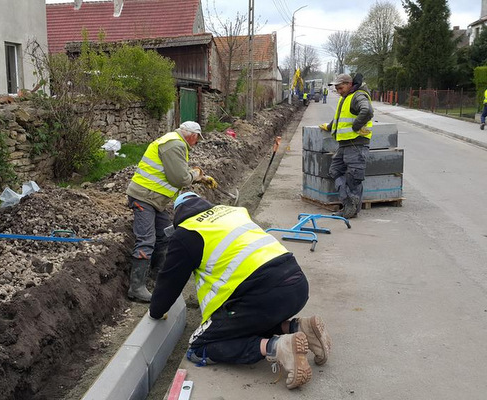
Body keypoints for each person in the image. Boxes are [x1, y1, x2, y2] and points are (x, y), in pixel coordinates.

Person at [149, 192, 332, 390]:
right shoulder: (232, 212)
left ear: (177, 215)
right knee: (248, 320)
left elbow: (169, 282)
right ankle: (300, 328)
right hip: (296, 284)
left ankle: (278, 347)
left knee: (198, 346)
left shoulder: (187, 233)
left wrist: (156, 311)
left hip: (264, 295)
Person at [125, 121, 209, 302]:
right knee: (146, 240)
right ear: (192, 135)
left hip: (155, 200)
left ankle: (159, 278)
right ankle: (136, 288)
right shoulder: (174, 144)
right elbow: (180, 178)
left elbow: (177, 171)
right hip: (144, 198)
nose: (196, 142)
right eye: (197, 139)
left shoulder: (175, 143)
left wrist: (199, 177)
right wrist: (195, 175)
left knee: (166, 236)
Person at [319, 73, 373, 219]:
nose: (338, 91)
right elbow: (340, 118)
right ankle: (349, 203)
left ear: (349, 84)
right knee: (335, 171)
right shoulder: (346, 97)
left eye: (340, 88)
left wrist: (356, 126)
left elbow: (367, 110)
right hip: (345, 144)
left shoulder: (358, 96)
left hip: (356, 144)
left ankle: (351, 209)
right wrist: (330, 126)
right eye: (336, 88)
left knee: (353, 178)